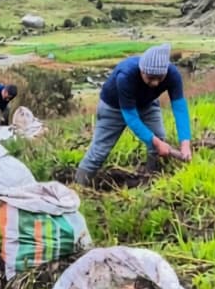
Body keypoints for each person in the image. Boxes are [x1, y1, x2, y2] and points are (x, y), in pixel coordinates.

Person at [74, 43, 192, 186]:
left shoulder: (173, 75)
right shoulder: (126, 76)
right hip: (113, 108)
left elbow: (179, 109)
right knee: (99, 152)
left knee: (159, 138)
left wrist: (185, 143)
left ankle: (151, 181)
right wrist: (156, 142)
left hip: (147, 104)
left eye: (159, 78)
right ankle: (79, 187)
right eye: (150, 78)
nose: (155, 83)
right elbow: (130, 117)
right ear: (141, 70)